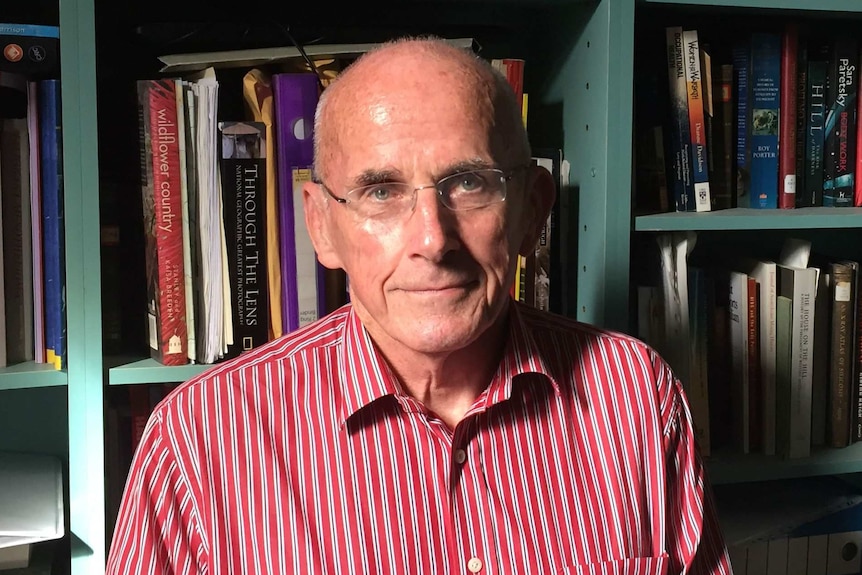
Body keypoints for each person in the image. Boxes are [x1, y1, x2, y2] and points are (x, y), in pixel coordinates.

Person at [106, 36, 732, 574]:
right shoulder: (199, 441)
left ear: (534, 210)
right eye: (381, 190)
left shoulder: (637, 398)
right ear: (322, 226)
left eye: (470, 183)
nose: (433, 240)